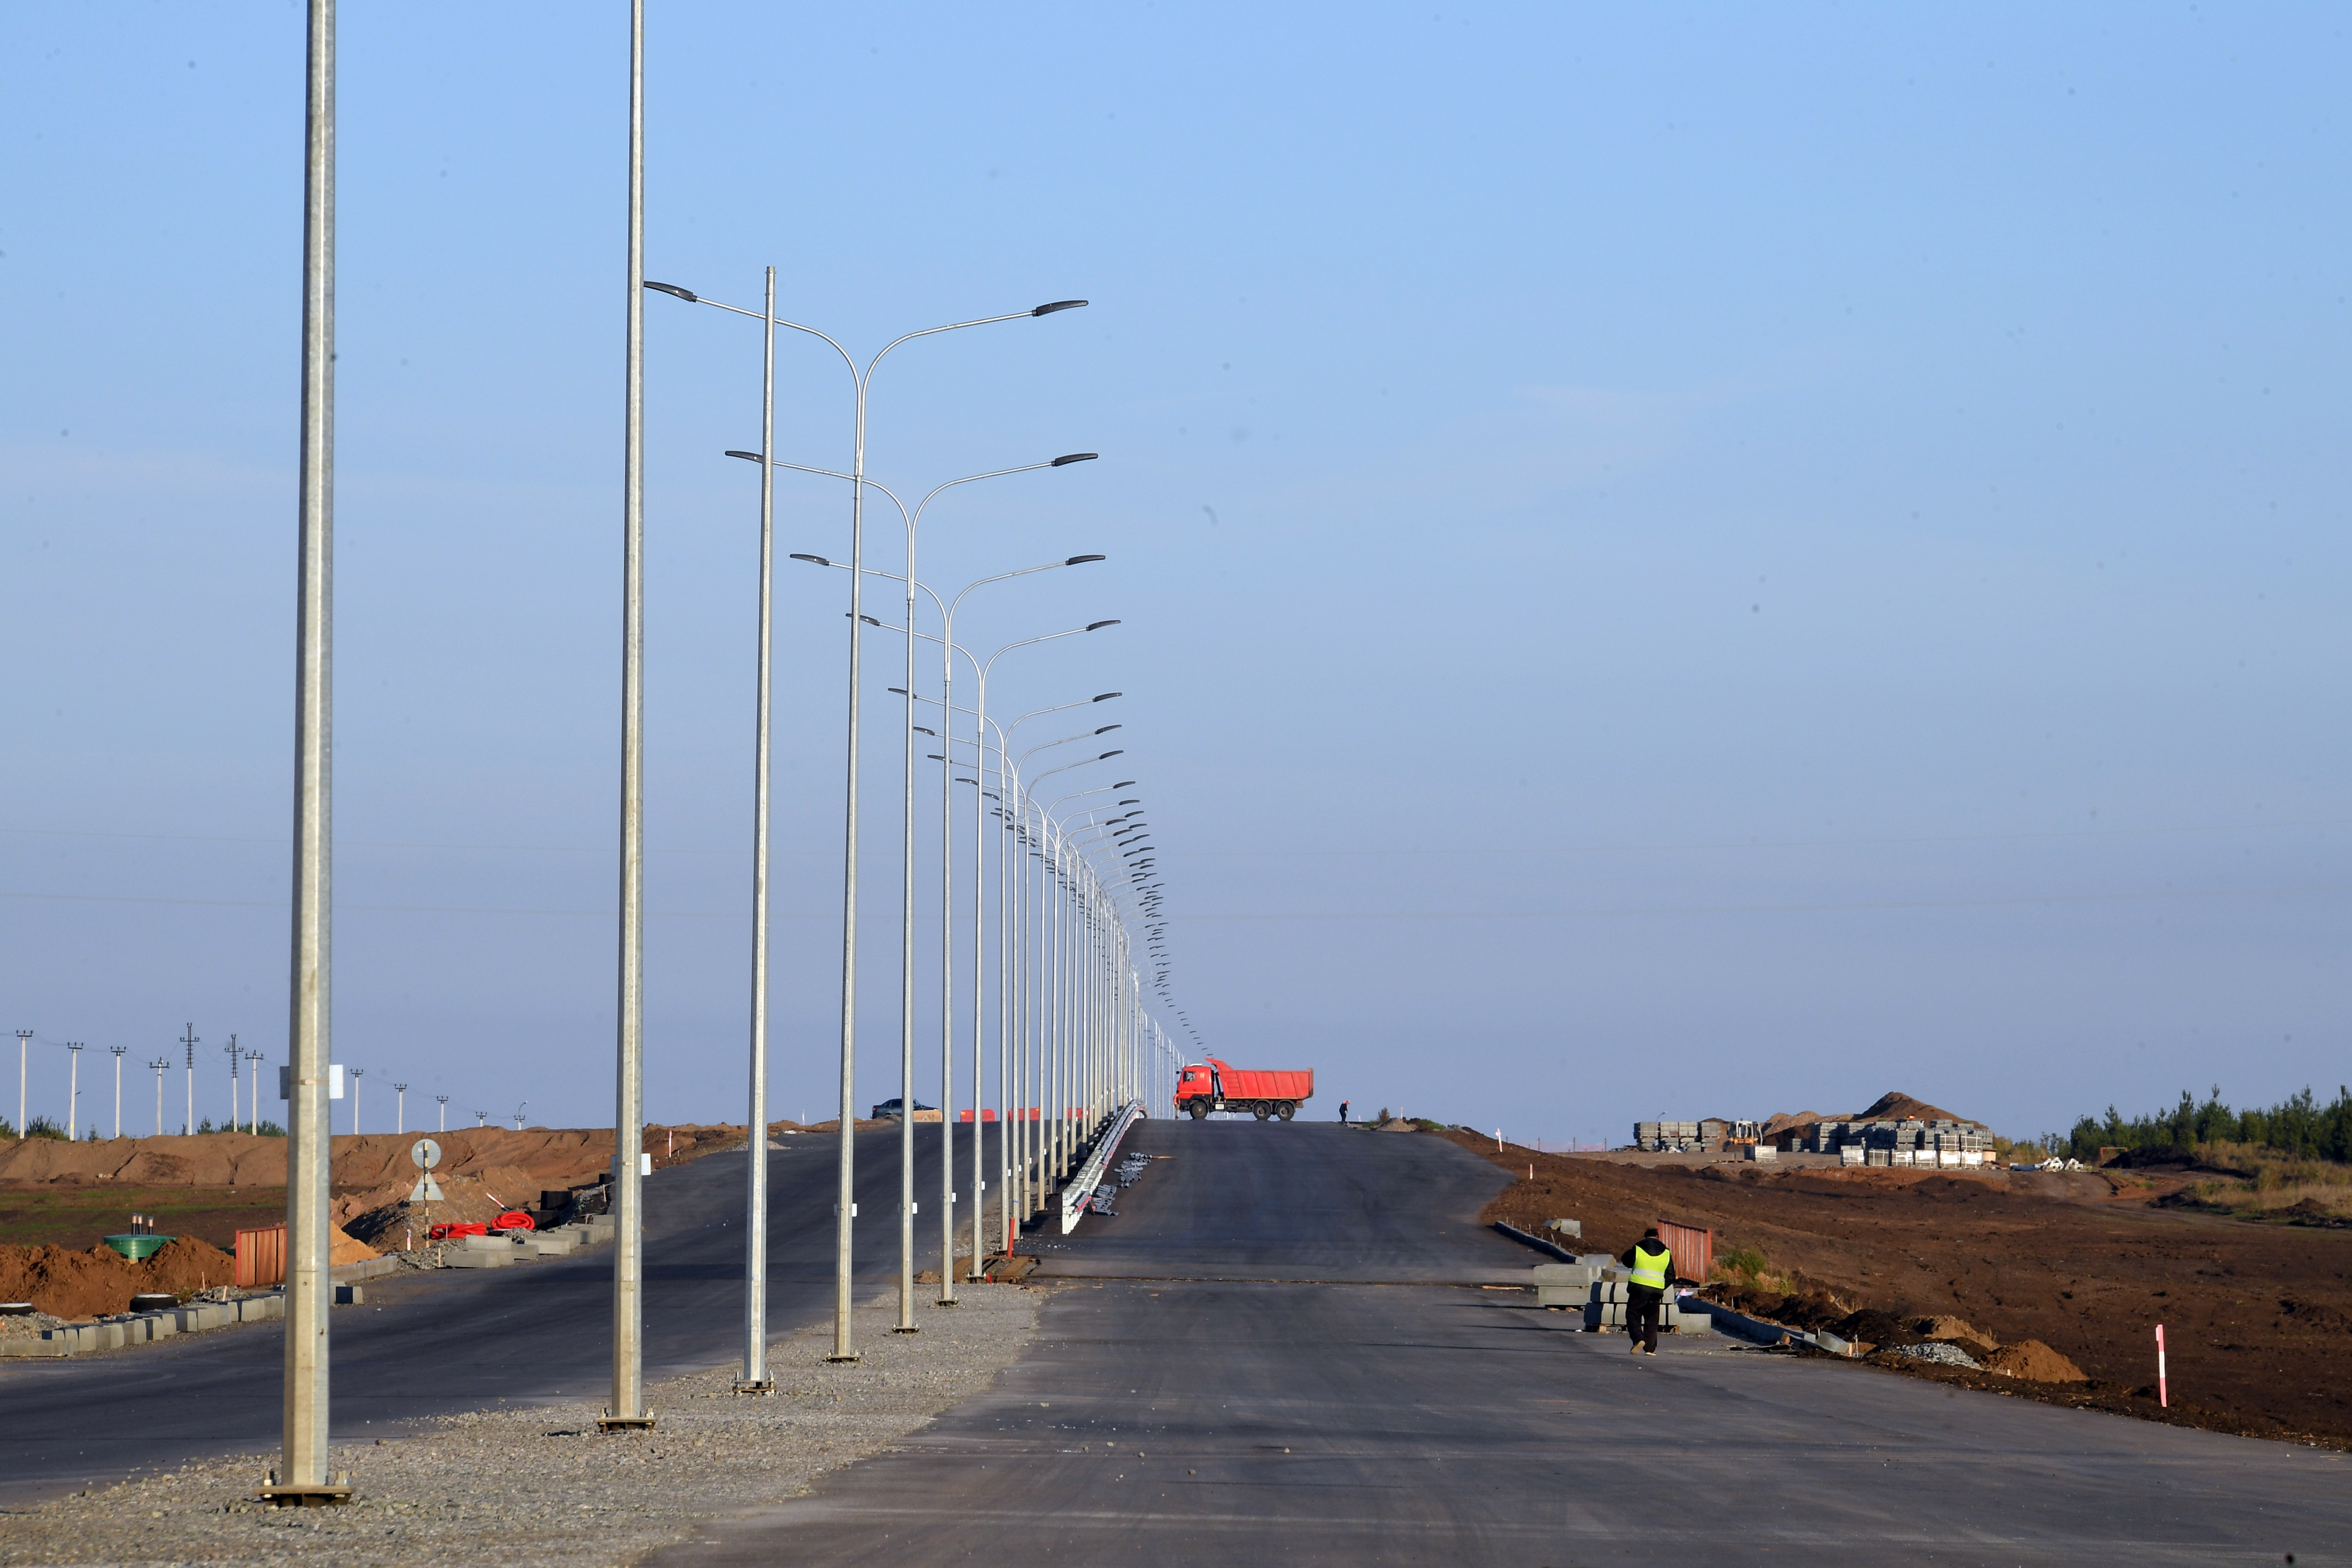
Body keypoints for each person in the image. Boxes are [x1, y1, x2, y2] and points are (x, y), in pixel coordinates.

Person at [1620, 1226, 1674, 1356]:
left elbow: (1625, 1260)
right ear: (1658, 1238)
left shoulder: (1638, 1248)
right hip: (1656, 1291)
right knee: (1652, 1320)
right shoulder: (1666, 1253)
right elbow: (1671, 1276)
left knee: (1633, 1315)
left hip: (1639, 1289)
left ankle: (1639, 1339)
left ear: (1645, 1237)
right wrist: (1660, 1286)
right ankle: (1650, 1348)